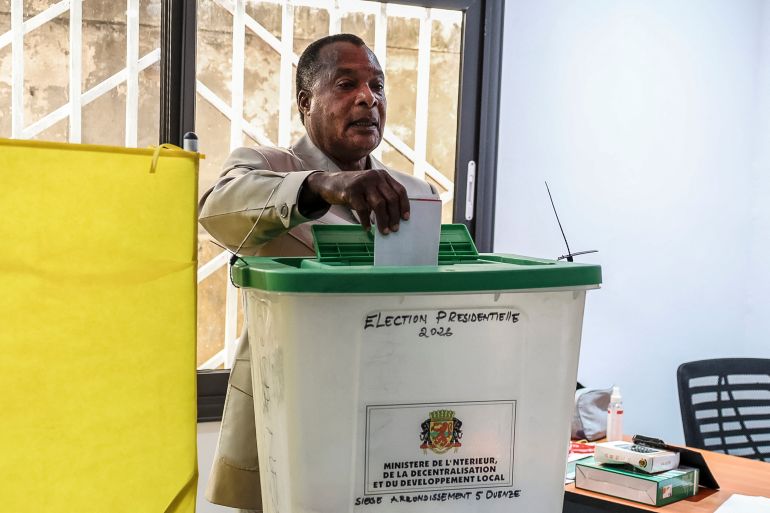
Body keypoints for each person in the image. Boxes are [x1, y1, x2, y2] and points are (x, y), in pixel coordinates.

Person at [199, 33, 437, 511]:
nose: (368, 98)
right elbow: (214, 212)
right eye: (346, 83)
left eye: (377, 86)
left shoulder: (411, 191)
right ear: (306, 102)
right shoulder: (265, 166)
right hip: (290, 412)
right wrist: (325, 185)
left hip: (387, 415)